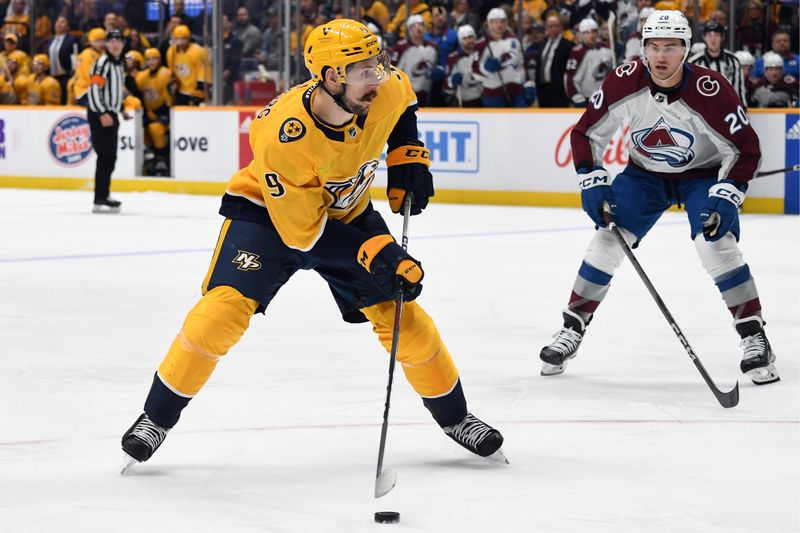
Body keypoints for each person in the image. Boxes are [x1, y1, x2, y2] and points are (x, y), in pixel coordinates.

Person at [120, 19, 506, 468]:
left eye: (377, 64)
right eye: (365, 70)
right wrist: (376, 253)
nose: (377, 77)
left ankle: (456, 417)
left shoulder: (384, 89)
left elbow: (403, 108)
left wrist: (406, 159)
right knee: (218, 314)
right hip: (267, 218)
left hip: (346, 212)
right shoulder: (284, 135)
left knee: (405, 320)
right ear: (331, 76)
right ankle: (156, 418)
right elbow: (303, 234)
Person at [538, 11, 779, 386]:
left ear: (686, 50)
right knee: (606, 240)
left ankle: (754, 335)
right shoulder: (624, 81)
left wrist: (728, 192)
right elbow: (586, 134)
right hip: (644, 175)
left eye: (671, 47)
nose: (661, 56)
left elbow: (745, 149)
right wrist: (592, 177)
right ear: (643, 48)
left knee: (714, 244)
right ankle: (572, 327)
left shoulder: (709, 89)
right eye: (653, 47)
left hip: (700, 176)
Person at [87, 29, 128, 214]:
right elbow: (94, 89)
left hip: (111, 113)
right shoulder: (103, 62)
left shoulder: (119, 64)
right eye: (112, 41)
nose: (115, 44)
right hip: (100, 114)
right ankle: (100, 196)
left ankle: (103, 194)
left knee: (109, 157)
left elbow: (114, 90)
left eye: (118, 41)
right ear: (107, 44)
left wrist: (120, 109)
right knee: (105, 157)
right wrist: (103, 112)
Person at [688, 22, 747, 106]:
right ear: (704, 38)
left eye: (716, 35)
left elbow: (739, 88)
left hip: (727, 109)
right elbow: (690, 90)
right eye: (709, 35)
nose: (713, 39)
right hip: (702, 110)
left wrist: (741, 107)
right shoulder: (694, 62)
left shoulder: (733, 61)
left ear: (722, 37)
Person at [565, 18, 612, 107]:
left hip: (603, 97)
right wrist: (574, 94)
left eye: (594, 31)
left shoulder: (606, 49)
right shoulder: (577, 52)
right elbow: (569, 77)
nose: (591, 35)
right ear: (581, 34)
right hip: (585, 98)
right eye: (587, 32)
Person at [536, 14, 573, 107]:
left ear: (561, 27)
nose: (553, 28)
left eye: (555, 26)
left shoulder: (568, 45)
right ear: (546, 28)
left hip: (559, 91)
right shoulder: (542, 44)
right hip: (543, 89)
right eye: (550, 26)